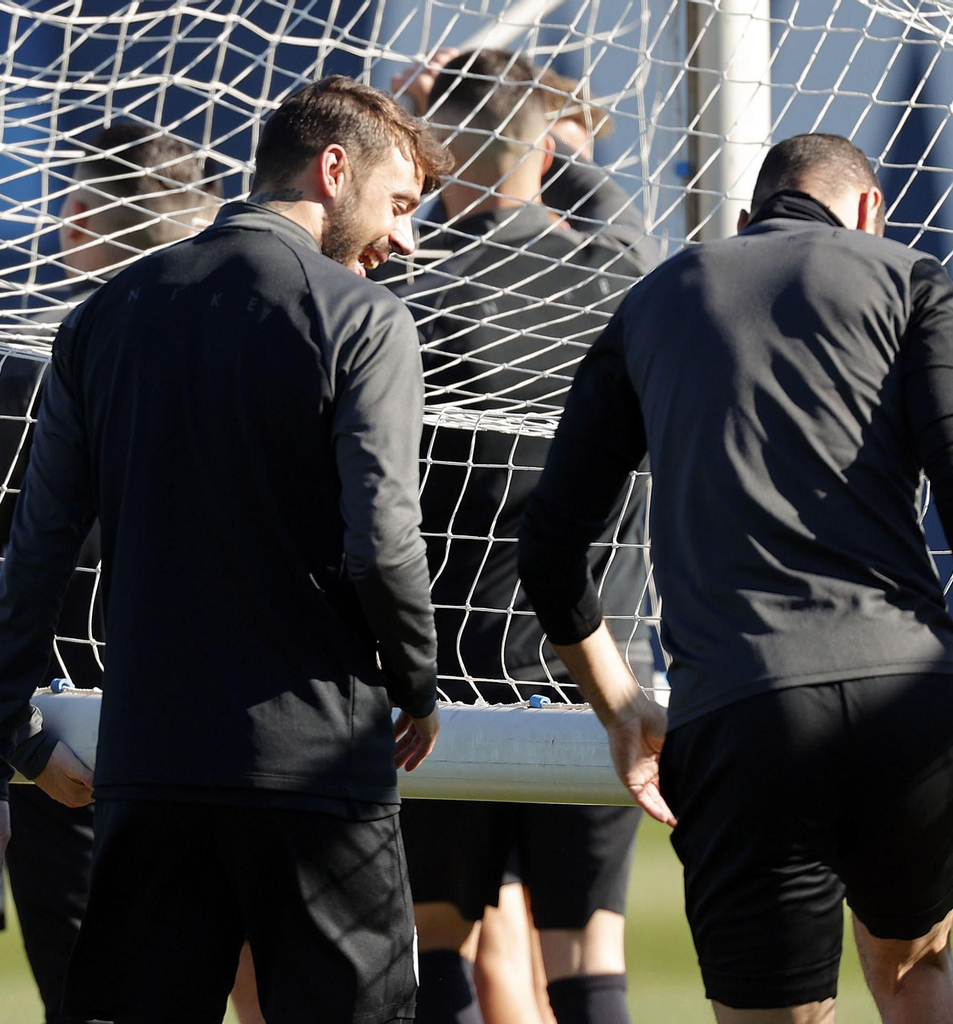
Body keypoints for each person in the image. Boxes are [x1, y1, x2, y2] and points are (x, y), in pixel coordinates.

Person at [0, 75, 451, 1023]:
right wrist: (417, 683)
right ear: (334, 170)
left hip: (149, 778)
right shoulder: (363, 317)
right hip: (319, 772)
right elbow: (384, 545)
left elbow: (34, 561)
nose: (406, 238)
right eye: (401, 203)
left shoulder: (101, 317)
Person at [518, 132, 953, 1024]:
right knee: (914, 974)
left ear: (746, 218)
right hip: (905, 696)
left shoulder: (654, 300)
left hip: (743, 711)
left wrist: (621, 706)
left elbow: (551, 543)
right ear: (868, 210)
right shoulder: (907, 276)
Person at [381, 49, 655, 1024]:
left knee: (437, 946)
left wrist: (420, 134)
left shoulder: (411, 302)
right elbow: (608, 206)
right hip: (600, 675)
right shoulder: (624, 279)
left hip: (453, 681)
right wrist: (541, 134)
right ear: (542, 151)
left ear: (436, 159)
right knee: (585, 956)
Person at [0, 119, 217, 1021]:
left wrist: (14, 738)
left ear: (77, 222)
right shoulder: (243, 361)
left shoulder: (16, 377)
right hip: (218, 742)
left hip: (66, 750)